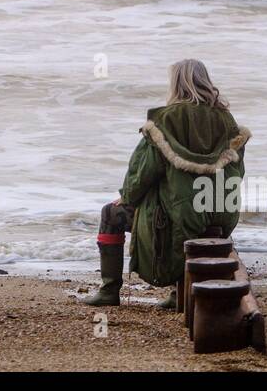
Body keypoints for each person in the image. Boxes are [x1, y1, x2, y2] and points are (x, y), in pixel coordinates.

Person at [80, 59, 250, 309]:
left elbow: (145, 171)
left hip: (180, 215)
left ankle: (109, 290)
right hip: (221, 213)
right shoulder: (226, 119)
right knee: (181, 209)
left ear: (177, 83)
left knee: (111, 213)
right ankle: (176, 291)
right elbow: (238, 170)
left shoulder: (166, 119)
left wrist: (127, 197)